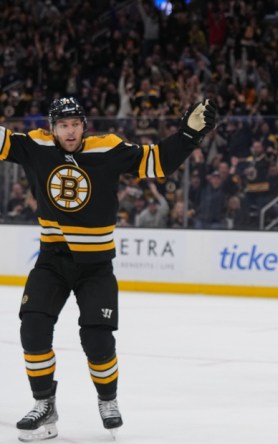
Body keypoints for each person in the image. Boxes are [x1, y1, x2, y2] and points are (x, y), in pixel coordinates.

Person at [4, 96, 216, 441]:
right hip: (52, 260)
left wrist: (189, 135)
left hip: (96, 265)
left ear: (84, 125)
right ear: (52, 128)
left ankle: (108, 400)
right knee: (33, 328)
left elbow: (158, 163)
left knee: (97, 338)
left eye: (74, 124)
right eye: (62, 125)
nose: (69, 131)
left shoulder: (109, 149)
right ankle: (44, 404)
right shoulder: (35, 146)